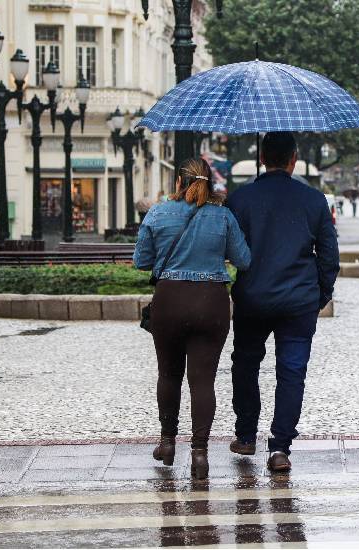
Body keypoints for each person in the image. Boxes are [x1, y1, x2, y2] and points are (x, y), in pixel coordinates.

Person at [227, 132, 340, 473]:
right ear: (294, 160)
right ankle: (280, 448)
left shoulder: (240, 199)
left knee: (245, 363)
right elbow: (329, 255)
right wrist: (320, 294)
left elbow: (229, 250)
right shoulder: (313, 199)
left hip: (252, 298)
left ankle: (246, 435)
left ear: (262, 158)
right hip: (299, 300)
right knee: (292, 371)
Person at [133, 157, 251, 480]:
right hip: (211, 302)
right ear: (211, 184)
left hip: (169, 301)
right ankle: (200, 454)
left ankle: (167, 443)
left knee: (168, 374)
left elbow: (141, 261)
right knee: (203, 381)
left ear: (178, 183)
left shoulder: (158, 213)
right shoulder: (224, 216)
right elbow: (244, 259)